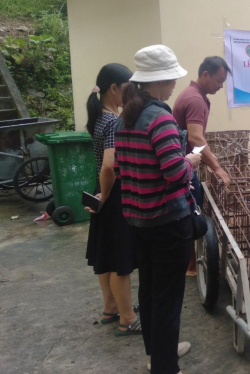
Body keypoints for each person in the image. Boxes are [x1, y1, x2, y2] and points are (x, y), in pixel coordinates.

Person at [115, 45, 201, 374]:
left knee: (150, 290)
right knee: (168, 298)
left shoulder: (127, 118)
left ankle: (158, 352)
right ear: (160, 81)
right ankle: (165, 367)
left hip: (139, 221)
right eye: (171, 79)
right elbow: (175, 174)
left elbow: (123, 169)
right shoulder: (160, 118)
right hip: (168, 222)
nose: (174, 84)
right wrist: (190, 161)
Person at [84, 63, 141, 337]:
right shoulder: (113, 121)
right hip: (112, 192)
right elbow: (110, 166)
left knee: (105, 253)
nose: (131, 96)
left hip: (101, 190)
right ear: (114, 89)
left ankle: (111, 307)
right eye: (128, 90)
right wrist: (106, 196)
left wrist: (100, 195)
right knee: (121, 260)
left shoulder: (98, 117)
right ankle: (128, 318)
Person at [173, 56, 231, 277]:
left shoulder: (193, 95)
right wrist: (216, 166)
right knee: (191, 214)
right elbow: (197, 139)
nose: (220, 86)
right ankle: (190, 265)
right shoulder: (195, 99)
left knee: (190, 212)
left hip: (185, 163)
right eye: (218, 80)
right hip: (185, 168)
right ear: (205, 75)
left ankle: (189, 262)